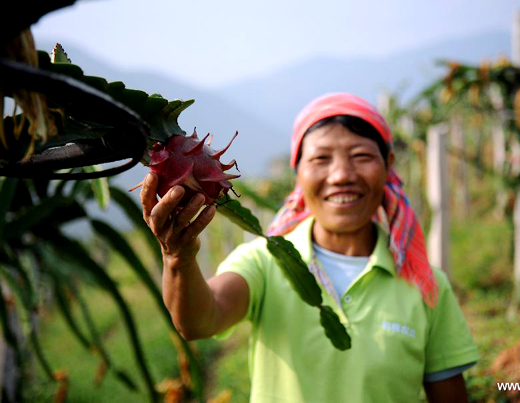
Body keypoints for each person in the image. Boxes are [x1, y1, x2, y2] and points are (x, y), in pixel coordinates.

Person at [140, 93, 479, 402]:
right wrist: (177, 258)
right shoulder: (265, 260)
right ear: (298, 172)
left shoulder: (426, 286)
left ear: (388, 164)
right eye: (321, 159)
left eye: (361, 156)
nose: (341, 175)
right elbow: (199, 322)